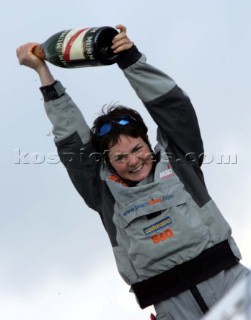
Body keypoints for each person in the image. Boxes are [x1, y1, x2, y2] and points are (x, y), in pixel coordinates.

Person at [16, 24, 249, 320]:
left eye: (137, 149)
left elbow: (174, 107)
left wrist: (130, 59)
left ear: (147, 143)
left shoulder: (179, 161)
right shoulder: (102, 192)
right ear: (107, 162)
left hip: (235, 288)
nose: (133, 161)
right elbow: (72, 141)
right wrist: (44, 75)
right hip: (173, 309)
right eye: (120, 157)